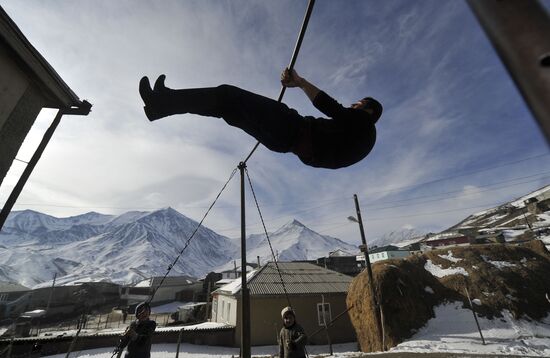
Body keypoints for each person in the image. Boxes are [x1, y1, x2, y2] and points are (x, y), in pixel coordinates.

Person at [139, 69, 382, 169]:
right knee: (227, 107)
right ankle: (161, 105)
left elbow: (331, 107)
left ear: (369, 110)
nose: (352, 105)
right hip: (284, 143)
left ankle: (162, 102)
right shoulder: (359, 141)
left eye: (358, 104)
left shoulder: (363, 124)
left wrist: (300, 82)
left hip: (291, 128)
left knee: (227, 95)